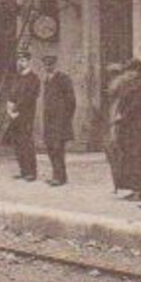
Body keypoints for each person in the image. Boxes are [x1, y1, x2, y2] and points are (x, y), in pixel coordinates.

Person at [112, 59, 141, 200]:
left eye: (131, 71)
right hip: (130, 129)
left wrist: (122, 117)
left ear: (137, 72)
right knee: (132, 158)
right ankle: (135, 189)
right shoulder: (130, 86)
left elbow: (136, 107)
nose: (128, 73)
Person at [37, 54, 77, 186]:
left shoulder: (63, 78)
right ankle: (57, 175)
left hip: (60, 122)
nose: (48, 67)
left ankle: (59, 177)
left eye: (51, 64)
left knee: (58, 149)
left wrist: (65, 118)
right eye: (46, 65)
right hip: (49, 121)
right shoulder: (47, 80)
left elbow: (71, 101)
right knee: (51, 149)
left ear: (55, 65)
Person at [4, 51, 42, 182]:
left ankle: (31, 172)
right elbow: (11, 94)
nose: (21, 62)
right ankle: (23, 170)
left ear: (29, 62)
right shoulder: (17, 78)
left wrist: (17, 108)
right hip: (14, 115)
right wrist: (9, 106)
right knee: (17, 143)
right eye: (19, 60)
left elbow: (30, 97)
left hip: (26, 115)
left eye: (24, 60)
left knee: (27, 143)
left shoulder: (34, 79)